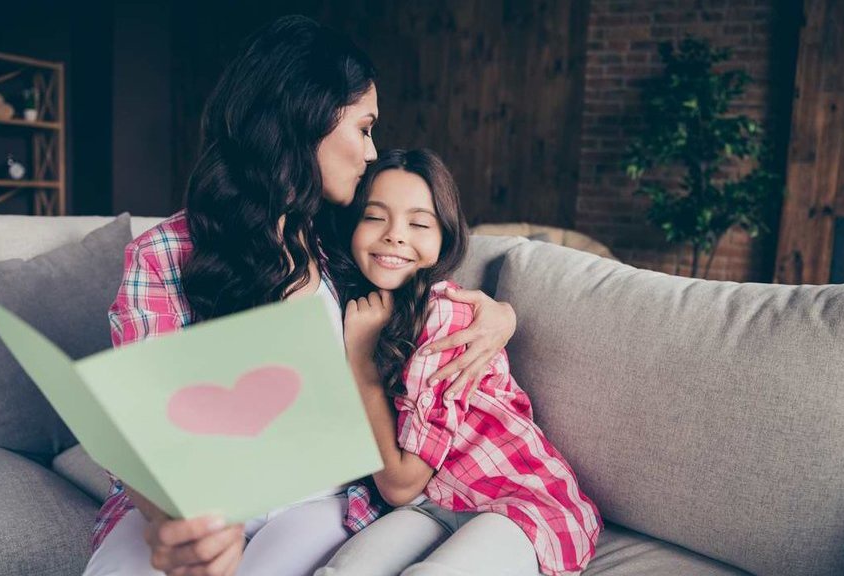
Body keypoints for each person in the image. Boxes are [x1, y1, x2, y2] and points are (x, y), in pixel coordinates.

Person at [83, 17, 517, 576]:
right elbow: (138, 424)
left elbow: (433, 281)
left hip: (319, 499)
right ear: (306, 117)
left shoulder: (345, 235)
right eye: (364, 128)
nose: (370, 151)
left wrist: (502, 315)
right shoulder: (165, 253)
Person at [317, 149, 602, 576]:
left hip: (517, 502)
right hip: (435, 503)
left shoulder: (445, 314)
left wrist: (361, 362)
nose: (395, 235)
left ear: (444, 239)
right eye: (375, 217)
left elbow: (398, 483)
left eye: (418, 223)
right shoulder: (350, 304)